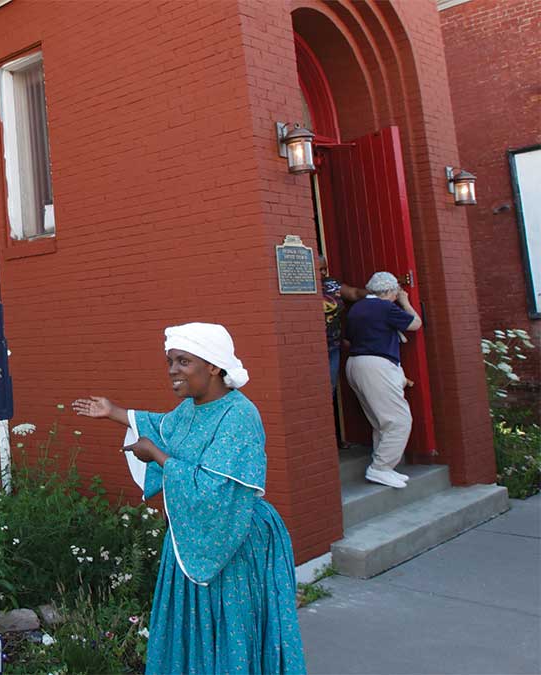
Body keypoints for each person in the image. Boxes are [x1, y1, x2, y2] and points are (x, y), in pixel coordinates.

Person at [73, 323, 305, 675]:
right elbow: (162, 426)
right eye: (170, 362)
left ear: (213, 366)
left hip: (235, 537)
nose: (172, 372)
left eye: (183, 361)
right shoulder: (191, 409)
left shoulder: (239, 415)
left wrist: (157, 456)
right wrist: (114, 411)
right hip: (191, 535)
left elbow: (215, 489)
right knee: (198, 626)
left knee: (231, 625)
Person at [345, 271, 423, 489]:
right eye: (396, 291)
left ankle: (385, 467)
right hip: (377, 365)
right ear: (389, 291)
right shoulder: (386, 307)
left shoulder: (357, 308)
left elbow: (349, 338)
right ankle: (380, 468)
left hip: (355, 364)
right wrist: (405, 301)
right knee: (399, 420)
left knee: (380, 422)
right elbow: (415, 323)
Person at [318, 254, 365, 392]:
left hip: (333, 345)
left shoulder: (332, 284)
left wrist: (377, 292)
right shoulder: (301, 286)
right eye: (319, 269)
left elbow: (354, 293)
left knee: (330, 387)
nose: (324, 273)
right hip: (314, 347)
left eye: (325, 269)